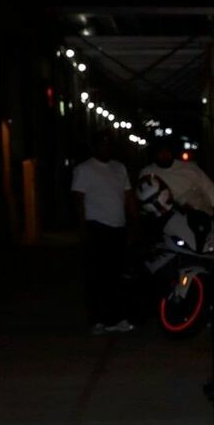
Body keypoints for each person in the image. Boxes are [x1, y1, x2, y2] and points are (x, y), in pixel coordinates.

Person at [71, 128, 136, 332]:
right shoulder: (84, 169)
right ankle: (97, 319)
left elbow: (128, 196)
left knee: (117, 275)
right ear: (95, 146)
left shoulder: (119, 168)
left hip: (118, 226)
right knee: (97, 276)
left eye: (109, 144)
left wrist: (134, 221)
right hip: (97, 226)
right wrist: (83, 229)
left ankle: (117, 317)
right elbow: (78, 200)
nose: (106, 147)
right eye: (102, 144)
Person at [137, 139, 214, 248]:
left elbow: (209, 188)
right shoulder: (147, 173)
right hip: (170, 224)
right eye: (160, 152)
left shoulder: (190, 168)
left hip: (201, 217)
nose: (164, 155)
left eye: (167, 151)